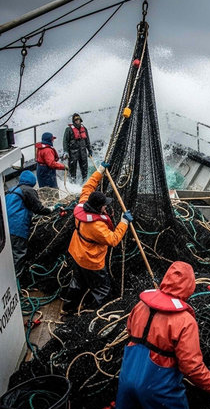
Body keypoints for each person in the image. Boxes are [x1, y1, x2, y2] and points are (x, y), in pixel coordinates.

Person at [112, 261, 210, 409]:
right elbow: (192, 367)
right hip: (158, 386)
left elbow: (130, 329)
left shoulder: (140, 305)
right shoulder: (185, 321)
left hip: (127, 377)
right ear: (190, 287)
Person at [61, 162, 133, 313]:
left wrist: (99, 171)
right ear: (98, 207)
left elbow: (88, 187)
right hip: (91, 260)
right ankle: (97, 314)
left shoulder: (82, 204)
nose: (106, 207)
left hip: (77, 253)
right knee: (102, 288)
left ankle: (67, 308)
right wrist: (124, 222)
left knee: (77, 282)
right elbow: (113, 240)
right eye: (104, 205)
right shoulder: (96, 226)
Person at [6, 170, 54, 277]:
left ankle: (7, 276)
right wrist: (51, 209)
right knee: (18, 254)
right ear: (32, 181)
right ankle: (16, 283)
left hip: (5, 229)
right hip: (17, 228)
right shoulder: (28, 190)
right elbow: (39, 208)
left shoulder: (11, 190)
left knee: (8, 256)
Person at [63, 113, 92, 182]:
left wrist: (90, 150)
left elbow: (87, 141)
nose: (77, 121)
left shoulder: (84, 129)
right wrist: (66, 151)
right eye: (76, 120)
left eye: (78, 119)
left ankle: (84, 182)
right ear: (73, 121)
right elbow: (65, 141)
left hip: (83, 152)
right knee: (72, 171)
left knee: (84, 169)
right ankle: (73, 183)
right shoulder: (68, 130)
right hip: (73, 153)